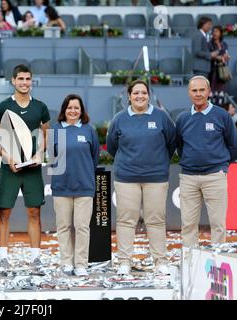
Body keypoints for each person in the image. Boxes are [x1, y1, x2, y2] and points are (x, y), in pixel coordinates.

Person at [107, 80, 176, 275]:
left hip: (156, 178)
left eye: (143, 93)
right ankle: (124, 262)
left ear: (149, 95)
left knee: (155, 220)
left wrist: (159, 162)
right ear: (129, 96)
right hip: (126, 178)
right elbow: (112, 146)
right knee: (126, 220)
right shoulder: (119, 119)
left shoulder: (161, 117)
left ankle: (160, 261)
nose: (140, 96)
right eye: (136, 93)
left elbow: (171, 143)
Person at [0, 64, 50, 269]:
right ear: (13, 81)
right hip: (10, 168)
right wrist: (8, 158)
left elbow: (45, 135)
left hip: (33, 169)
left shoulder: (40, 107)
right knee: (4, 212)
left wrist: (39, 154)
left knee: (34, 212)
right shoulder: (1, 108)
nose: (24, 83)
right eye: (21, 79)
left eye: (28, 79)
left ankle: (35, 257)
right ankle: (3, 258)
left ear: (31, 81)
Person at [176, 76, 235, 248]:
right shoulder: (182, 118)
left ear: (209, 91)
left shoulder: (222, 116)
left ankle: (218, 265)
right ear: (189, 93)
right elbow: (180, 146)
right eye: (194, 90)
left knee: (218, 225)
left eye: (202, 90)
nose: (198, 93)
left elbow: (233, 145)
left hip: (215, 176)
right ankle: (190, 263)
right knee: (188, 225)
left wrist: (221, 166)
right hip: (188, 178)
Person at [48, 94, 99, 276]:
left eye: (76, 108)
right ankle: (66, 262)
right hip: (61, 187)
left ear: (81, 111)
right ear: (64, 110)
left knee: (82, 227)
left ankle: (81, 264)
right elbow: (51, 158)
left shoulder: (89, 130)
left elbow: (94, 158)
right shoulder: (54, 130)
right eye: (69, 107)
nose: (73, 111)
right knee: (63, 227)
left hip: (84, 187)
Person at [208, 26, 231, 106]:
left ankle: (220, 105)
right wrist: (220, 57)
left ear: (220, 33)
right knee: (213, 93)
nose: (214, 33)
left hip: (223, 70)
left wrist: (226, 57)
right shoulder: (210, 44)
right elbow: (211, 56)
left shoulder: (224, 44)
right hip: (214, 70)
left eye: (217, 31)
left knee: (221, 93)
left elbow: (227, 55)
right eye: (213, 31)